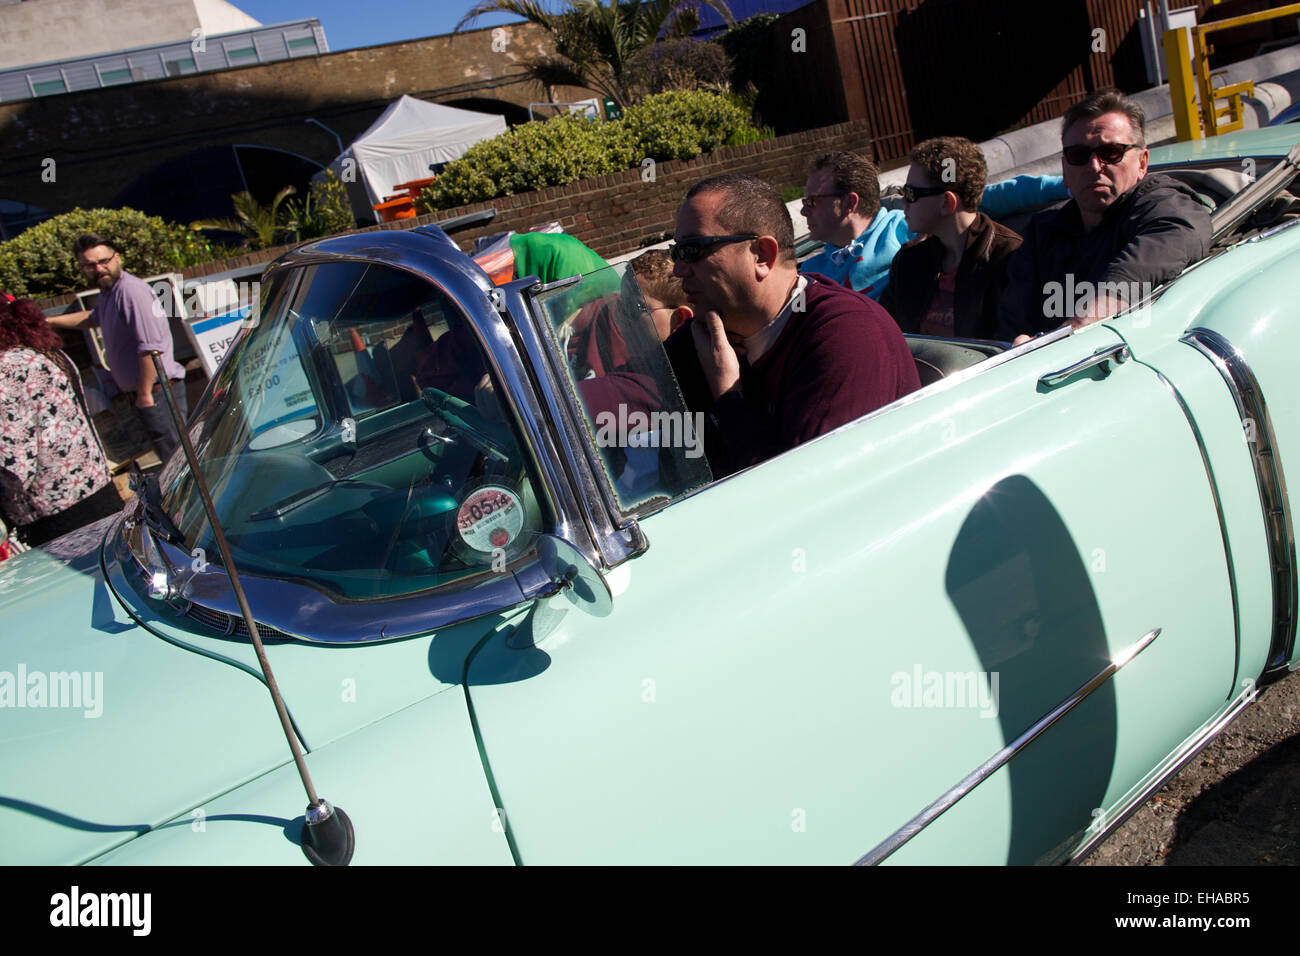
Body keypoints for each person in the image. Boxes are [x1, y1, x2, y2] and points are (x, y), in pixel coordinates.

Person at [666, 173, 920, 476]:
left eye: (692, 250)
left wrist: (728, 394)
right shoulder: (708, 332)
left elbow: (802, 491)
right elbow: (625, 394)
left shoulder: (846, 334)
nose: (678, 269)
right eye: (676, 252)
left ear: (762, 255)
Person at [996, 89, 1212, 344]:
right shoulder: (1043, 231)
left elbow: (1173, 236)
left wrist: (1082, 323)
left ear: (1142, 163)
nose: (1094, 166)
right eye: (1079, 155)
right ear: (1065, 169)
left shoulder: (1163, 205)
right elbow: (1011, 323)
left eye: (1111, 153)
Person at [798, 151, 1067, 300]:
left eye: (812, 201)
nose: (802, 209)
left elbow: (987, 198)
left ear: (849, 203)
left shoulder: (905, 226)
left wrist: (1070, 185)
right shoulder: (809, 271)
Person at [48, 235, 188, 462]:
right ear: (82, 268)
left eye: (104, 261)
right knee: (174, 459)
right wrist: (48, 322)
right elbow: (92, 318)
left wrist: (143, 394)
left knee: (179, 461)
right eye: (91, 265)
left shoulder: (130, 292)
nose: (100, 268)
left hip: (156, 392)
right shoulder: (109, 293)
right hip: (149, 393)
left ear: (118, 258)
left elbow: (150, 348)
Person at [1, 296, 122, 547]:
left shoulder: (6, 369)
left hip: (59, 519)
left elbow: (14, 468)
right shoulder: (38, 352)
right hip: (95, 494)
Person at [880, 136, 1023, 340]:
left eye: (910, 193)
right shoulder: (909, 260)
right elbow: (884, 331)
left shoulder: (1011, 258)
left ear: (947, 202)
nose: (903, 201)